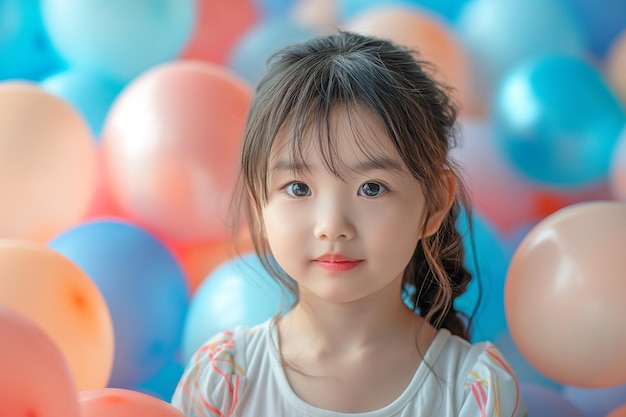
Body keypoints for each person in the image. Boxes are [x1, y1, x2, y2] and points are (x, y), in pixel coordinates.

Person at [171, 31, 527, 416]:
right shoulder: (224, 381)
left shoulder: (472, 390)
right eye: (298, 187)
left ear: (435, 202)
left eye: (371, 188)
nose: (332, 226)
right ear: (259, 201)